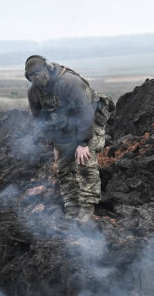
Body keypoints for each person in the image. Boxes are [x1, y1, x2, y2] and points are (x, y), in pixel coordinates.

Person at [24, 55, 110, 222]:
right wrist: (54, 144)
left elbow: (85, 114)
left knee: (85, 162)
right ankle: (72, 208)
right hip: (63, 129)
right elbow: (42, 121)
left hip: (88, 122)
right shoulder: (34, 93)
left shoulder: (69, 83)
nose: (37, 79)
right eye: (32, 76)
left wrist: (83, 143)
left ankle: (87, 209)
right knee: (64, 168)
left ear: (47, 69)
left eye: (39, 73)